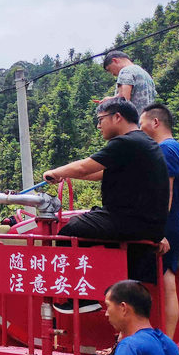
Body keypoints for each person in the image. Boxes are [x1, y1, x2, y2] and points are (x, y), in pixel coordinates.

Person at [42, 97, 169, 283]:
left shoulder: (126, 143)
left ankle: (79, 297)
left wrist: (54, 171)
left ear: (117, 117)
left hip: (129, 221)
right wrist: (63, 175)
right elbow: (96, 172)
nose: (98, 126)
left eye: (100, 120)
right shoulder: (142, 142)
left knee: (69, 231)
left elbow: (84, 167)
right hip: (146, 224)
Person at [140, 103, 179, 337]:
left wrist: (158, 230)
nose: (140, 127)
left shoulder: (166, 150)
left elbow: (165, 193)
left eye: (142, 123)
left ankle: (167, 341)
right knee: (165, 280)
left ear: (155, 122)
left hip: (166, 225)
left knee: (168, 283)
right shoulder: (174, 148)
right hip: (173, 223)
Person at [97, 51, 157, 115]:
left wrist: (110, 103)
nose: (112, 74)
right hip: (147, 120)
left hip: (133, 121)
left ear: (115, 60)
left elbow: (124, 100)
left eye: (109, 69)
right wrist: (110, 99)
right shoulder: (146, 75)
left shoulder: (125, 71)